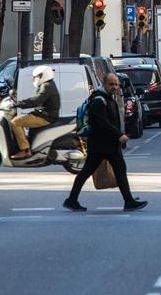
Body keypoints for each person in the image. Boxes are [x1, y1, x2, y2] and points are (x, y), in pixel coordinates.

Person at [63, 73, 147, 212]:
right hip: (100, 146)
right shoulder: (99, 100)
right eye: (111, 84)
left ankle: (129, 201)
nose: (114, 87)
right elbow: (102, 122)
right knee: (86, 172)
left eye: (116, 84)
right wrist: (119, 135)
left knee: (119, 171)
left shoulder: (108, 98)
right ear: (104, 84)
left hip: (109, 145)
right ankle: (71, 200)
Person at [11, 65, 60, 159]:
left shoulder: (47, 86)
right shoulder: (48, 85)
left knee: (16, 122)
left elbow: (37, 100)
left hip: (46, 117)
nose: (35, 79)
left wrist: (19, 104)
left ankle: (25, 150)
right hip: (45, 115)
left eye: (37, 77)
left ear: (43, 76)